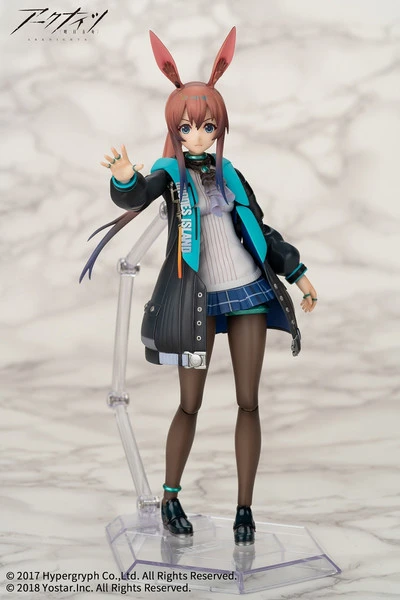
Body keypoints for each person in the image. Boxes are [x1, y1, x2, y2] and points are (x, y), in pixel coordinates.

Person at [80, 27, 317, 546]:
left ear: (220, 128)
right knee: (190, 402)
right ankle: (170, 496)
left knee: (249, 401)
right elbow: (136, 196)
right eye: (187, 128)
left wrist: (297, 272)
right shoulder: (170, 173)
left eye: (208, 127)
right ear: (175, 130)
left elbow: (260, 229)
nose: (198, 136)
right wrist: (124, 177)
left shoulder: (231, 173)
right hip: (198, 299)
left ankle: (244, 510)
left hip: (249, 290)